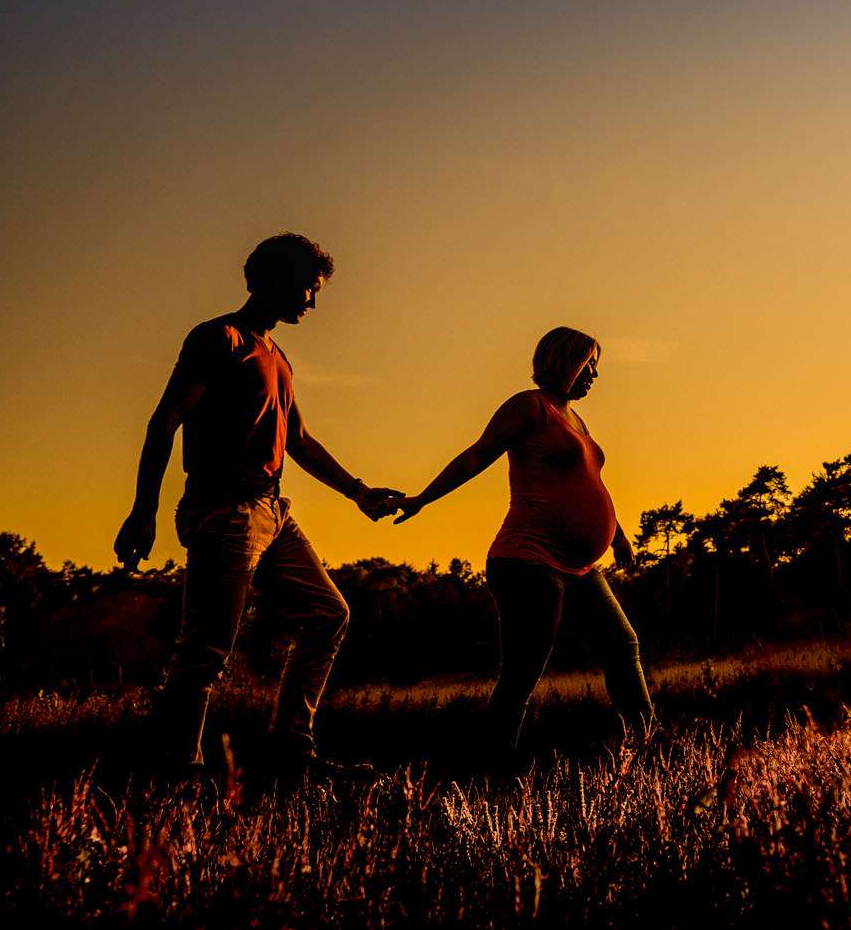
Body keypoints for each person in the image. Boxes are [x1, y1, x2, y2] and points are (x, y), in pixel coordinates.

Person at [114, 233, 405, 776]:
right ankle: (178, 777)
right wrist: (143, 509)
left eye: (315, 291)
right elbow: (165, 421)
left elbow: (298, 439)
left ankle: (292, 754)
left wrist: (359, 492)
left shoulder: (278, 355)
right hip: (224, 514)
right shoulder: (219, 339)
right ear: (265, 280)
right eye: (304, 288)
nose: (311, 302)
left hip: (273, 512)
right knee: (205, 652)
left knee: (327, 614)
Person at [394, 327, 651, 755]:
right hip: (528, 561)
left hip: (581, 567)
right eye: (588, 366)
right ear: (564, 361)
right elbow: (478, 455)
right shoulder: (529, 407)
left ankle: (646, 744)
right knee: (523, 672)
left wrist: (619, 538)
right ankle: (494, 767)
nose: (594, 376)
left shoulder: (576, 419)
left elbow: (590, 484)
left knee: (623, 644)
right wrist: (424, 498)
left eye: (596, 367)